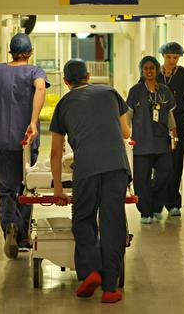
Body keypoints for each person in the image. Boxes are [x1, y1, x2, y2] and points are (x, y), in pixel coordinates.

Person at [50, 59, 131, 304]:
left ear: (66, 82)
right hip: (116, 166)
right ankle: (109, 289)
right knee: (113, 223)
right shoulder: (110, 92)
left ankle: (90, 271)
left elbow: (55, 153)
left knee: (83, 219)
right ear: (88, 76)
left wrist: (57, 188)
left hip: (85, 167)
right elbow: (126, 133)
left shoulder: (63, 104)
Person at [0, 33, 49, 259]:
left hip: (1, 140)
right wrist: (32, 120)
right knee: (26, 187)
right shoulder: (34, 71)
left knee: (5, 190)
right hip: (26, 141)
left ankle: (10, 225)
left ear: (10, 51)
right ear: (29, 53)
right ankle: (23, 238)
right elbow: (40, 88)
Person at [126, 56, 177, 224]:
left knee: (165, 174)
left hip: (161, 142)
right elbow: (128, 116)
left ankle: (156, 205)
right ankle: (145, 212)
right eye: (146, 68)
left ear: (156, 70)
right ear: (142, 70)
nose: (149, 71)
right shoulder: (135, 92)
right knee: (141, 180)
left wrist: (174, 136)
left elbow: (170, 116)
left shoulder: (164, 91)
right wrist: (125, 136)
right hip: (141, 142)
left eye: (152, 68)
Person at [157, 42, 184, 217]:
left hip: (177, 129)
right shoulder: (154, 73)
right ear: (163, 56)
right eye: (169, 57)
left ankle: (173, 203)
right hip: (156, 130)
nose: (172, 61)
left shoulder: (183, 75)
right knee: (159, 167)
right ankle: (156, 203)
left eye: (175, 57)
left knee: (175, 166)